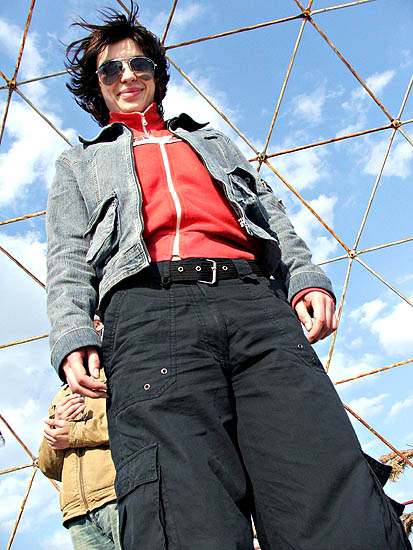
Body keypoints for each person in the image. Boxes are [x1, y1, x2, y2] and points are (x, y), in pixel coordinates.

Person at [45, 3, 411, 549]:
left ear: (157, 75)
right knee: (183, 502)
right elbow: (67, 255)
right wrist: (73, 332)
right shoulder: (78, 163)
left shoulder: (210, 141)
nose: (127, 76)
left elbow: (270, 214)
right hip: (149, 312)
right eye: (111, 69)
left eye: (140, 64)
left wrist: (305, 276)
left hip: (253, 300)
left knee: (320, 472)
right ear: (96, 85)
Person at [38, 318, 121, 550]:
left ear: (98, 325)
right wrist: (56, 430)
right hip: (78, 514)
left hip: (116, 495)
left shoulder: (116, 373)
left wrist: (74, 433)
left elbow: (133, 425)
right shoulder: (62, 395)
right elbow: (48, 467)